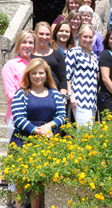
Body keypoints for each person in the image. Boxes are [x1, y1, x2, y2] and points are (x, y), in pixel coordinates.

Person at [10, 58, 66, 208]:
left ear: (46, 74)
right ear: (28, 75)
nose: (37, 76)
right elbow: (18, 118)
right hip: (23, 141)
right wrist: (36, 131)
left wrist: (48, 127)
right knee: (21, 181)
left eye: (41, 73)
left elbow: (61, 115)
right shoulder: (22, 93)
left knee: (39, 183)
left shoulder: (54, 93)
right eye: (34, 73)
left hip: (47, 142)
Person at [2, 30, 37, 142]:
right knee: (18, 153)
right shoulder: (10, 65)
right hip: (17, 115)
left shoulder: (37, 64)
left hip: (36, 116)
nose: (27, 46)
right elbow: (11, 94)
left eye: (30, 43)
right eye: (24, 42)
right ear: (18, 45)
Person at [66, 24, 99, 127]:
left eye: (90, 37)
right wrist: (71, 96)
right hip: (80, 98)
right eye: (85, 36)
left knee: (90, 135)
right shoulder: (73, 52)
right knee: (84, 133)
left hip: (92, 99)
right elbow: (66, 77)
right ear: (79, 36)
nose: (87, 39)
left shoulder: (93, 55)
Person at [31, 21, 67, 96]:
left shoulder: (57, 55)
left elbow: (63, 78)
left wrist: (63, 98)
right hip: (33, 94)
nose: (44, 37)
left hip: (54, 94)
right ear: (35, 34)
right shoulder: (29, 55)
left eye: (47, 34)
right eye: (41, 34)